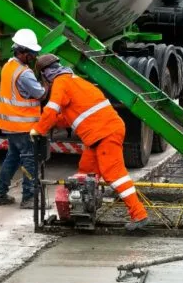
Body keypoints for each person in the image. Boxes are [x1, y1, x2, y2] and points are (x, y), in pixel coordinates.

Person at [31, 54, 148, 230]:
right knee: (85, 173)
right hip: (98, 135)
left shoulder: (60, 83)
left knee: (115, 175)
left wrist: (38, 129)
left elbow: (51, 110)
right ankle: (80, 213)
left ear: (45, 75)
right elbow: (67, 116)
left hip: (104, 134)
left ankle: (139, 215)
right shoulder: (73, 80)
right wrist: (51, 123)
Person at [0, 29, 46, 209]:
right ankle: (29, 198)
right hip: (23, 125)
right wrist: (47, 83)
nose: (33, 56)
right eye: (31, 53)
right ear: (21, 52)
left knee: (12, 158)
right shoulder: (25, 73)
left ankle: (0, 194)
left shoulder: (8, 66)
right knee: (29, 160)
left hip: (10, 125)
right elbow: (40, 94)